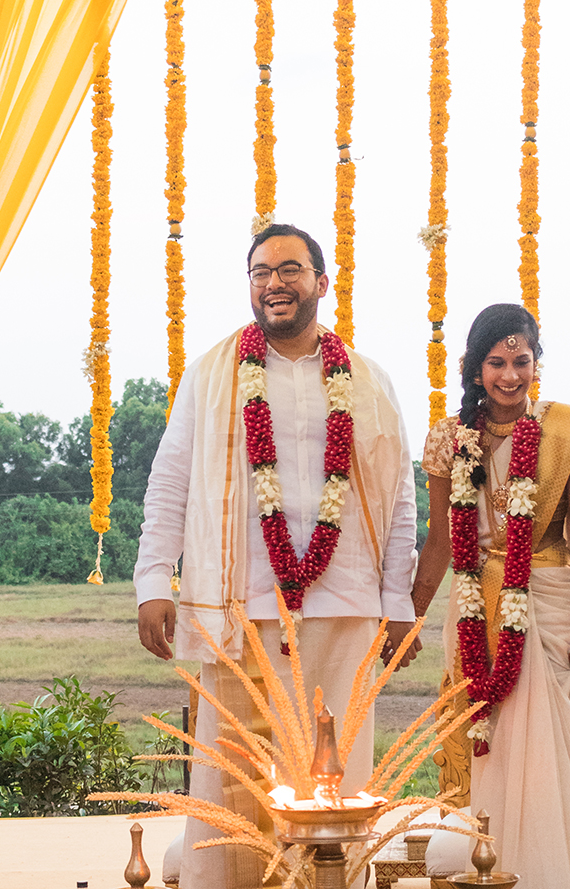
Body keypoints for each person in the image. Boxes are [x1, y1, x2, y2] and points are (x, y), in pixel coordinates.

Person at [134, 223, 418, 889]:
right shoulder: (210, 373)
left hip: (344, 607)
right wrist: (153, 579)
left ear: (322, 282)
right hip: (242, 609)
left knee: (335, 783)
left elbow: (399, 497)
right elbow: (171, 479)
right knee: (234, 785)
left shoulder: (369, 381)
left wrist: (398, 601)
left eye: (290, 269)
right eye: (261, 271)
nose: (274, 283)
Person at [411, 303, 570, 889]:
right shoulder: (448, 441)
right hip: (473, 605)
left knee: (550, 754)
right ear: (475, 370)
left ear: (536, 364)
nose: (509, 375)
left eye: (521, 361)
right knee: (487, 741)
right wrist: (407, 616)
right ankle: (487, 868)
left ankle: (553, 873)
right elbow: (441, 541)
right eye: (496, 362)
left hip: (548, 601)